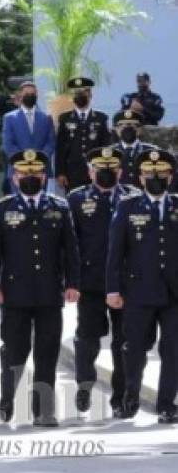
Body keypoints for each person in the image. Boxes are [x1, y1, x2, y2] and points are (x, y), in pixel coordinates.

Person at [0, 150, 80, 427]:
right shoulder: (2, 208)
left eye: (35, 173)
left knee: (47, 353)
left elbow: (70, 249)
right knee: (15, 351)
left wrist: (73, 283)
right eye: (24, 174)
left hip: (50, 293)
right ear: (14, 177)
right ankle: (7, 398)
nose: (30, 178)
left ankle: (44, 410)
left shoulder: (59, 207)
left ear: (44, 176)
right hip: (15, 294)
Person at [106, 149, 178, 423]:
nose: (155, 178)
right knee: (134, 349)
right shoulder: (128, 206)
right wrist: (113, 289)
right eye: (150, 174)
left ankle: (167, 405)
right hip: (138, 291)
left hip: (173, 294)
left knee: (173, 350)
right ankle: (131, 397)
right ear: (140, 177)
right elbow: (116, 252)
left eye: (161, 174)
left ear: (170, 177)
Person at [67, 148, 139, 417]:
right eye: (100, 168)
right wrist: (70, 281)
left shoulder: (134, 198)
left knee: (125, 342)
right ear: (90, 171)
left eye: (112, 168)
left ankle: (120, 398)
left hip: (127, 284)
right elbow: (70, 246)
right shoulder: (77, 199)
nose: (106, 173)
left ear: (121, 171)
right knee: (88, 338)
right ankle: (84, 384)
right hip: (91, 282)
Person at [55, 77, 110, 192]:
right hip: (72, 173)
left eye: (83, 92)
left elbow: (106, 147)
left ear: (90, 94)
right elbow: (60, 149)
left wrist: (105, 170)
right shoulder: (65, 119)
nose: (79, 96)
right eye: (76, 93)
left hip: (95, 172)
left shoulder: (101, 118)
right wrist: (60, 173)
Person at [1, 81, 56, 185]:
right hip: (18, 171)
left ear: (36, 96)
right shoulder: (9, 118)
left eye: (33, 94)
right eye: (27, 94)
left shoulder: (46, 118)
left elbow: (50, 143)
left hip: (40, 171)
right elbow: (8, 144)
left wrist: (39, 159)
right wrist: (24, 162)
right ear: (20, 96)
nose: (30, 96)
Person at [109, 109, 156, 189]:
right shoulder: (109, 153)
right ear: (116, 129)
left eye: (133, 125)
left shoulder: (152, 151)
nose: (128, 129)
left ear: (140, 129)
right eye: (122, 126)